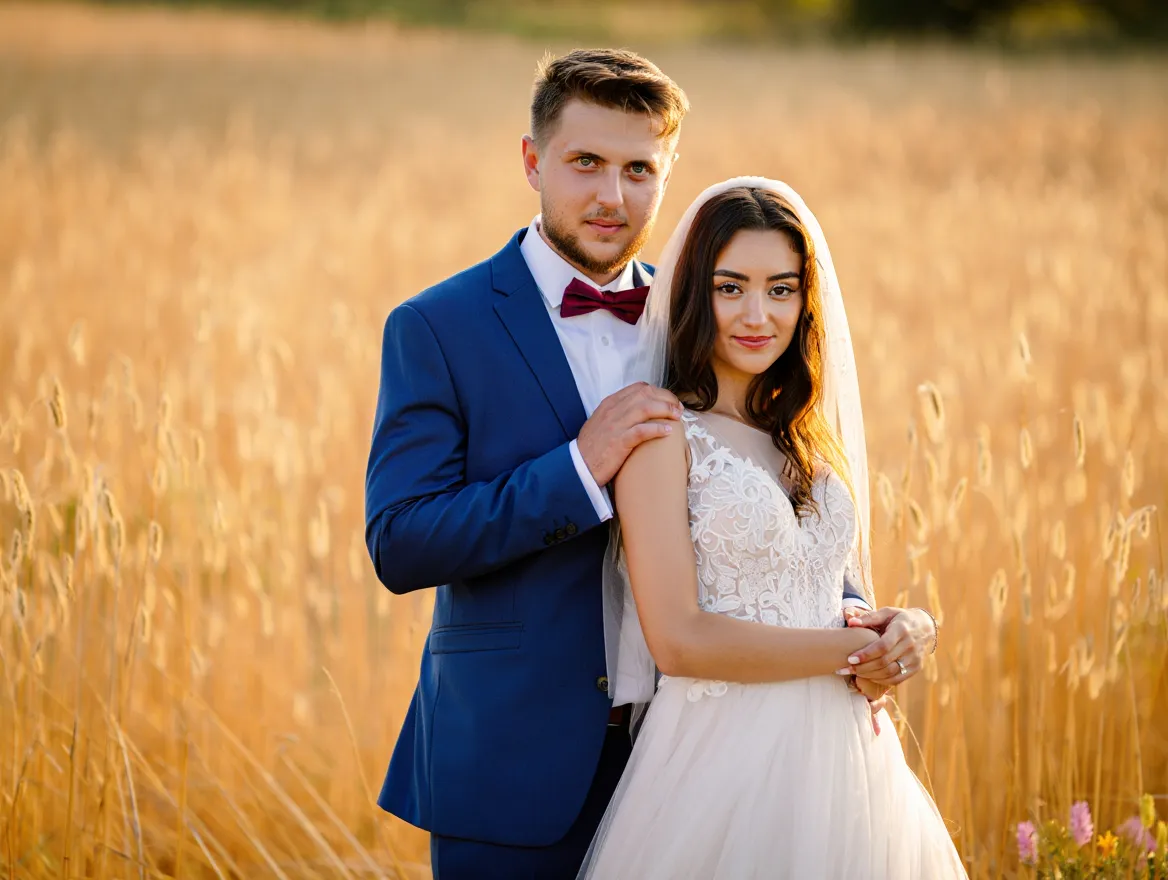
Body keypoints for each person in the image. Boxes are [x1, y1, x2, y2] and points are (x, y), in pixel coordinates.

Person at [364, 49, 935, 880]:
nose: (613, 196)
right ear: (532, 161)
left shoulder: (710, 307)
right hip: (514, 761)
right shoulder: (438, 327)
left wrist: (853, 615)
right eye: (585, 162)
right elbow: (401, 540)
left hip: (703, 752)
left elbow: (766, 490)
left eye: (639, 170)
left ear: (668, 175)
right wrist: (577, 468)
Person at [575, 179, 967, 879]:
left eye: (781, 289)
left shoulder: (806, 439)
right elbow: (679, 640)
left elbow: (828, 588)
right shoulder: (663, 435)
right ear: (695, 296)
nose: (758, 315)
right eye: (731, 288)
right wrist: (851, 651)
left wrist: (910, 627)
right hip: (723, 760)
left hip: (850, 757)